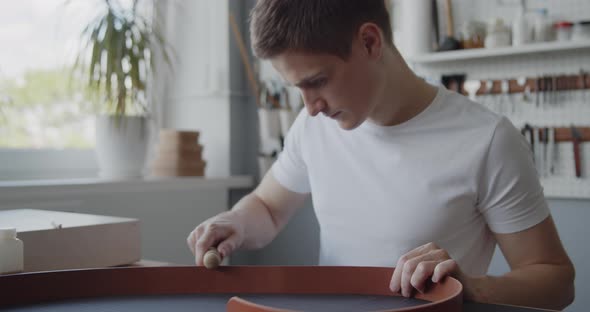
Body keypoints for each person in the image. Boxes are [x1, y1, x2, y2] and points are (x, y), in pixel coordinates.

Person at [187, 0, 575, 309]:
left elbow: (556, 280)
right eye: (297, 89)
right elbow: (269, 209)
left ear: (370, 42)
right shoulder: (313, 127)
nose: (311, 107)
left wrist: (472, 288)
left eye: (317, 81)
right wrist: (235, 221)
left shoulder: (487, 140)